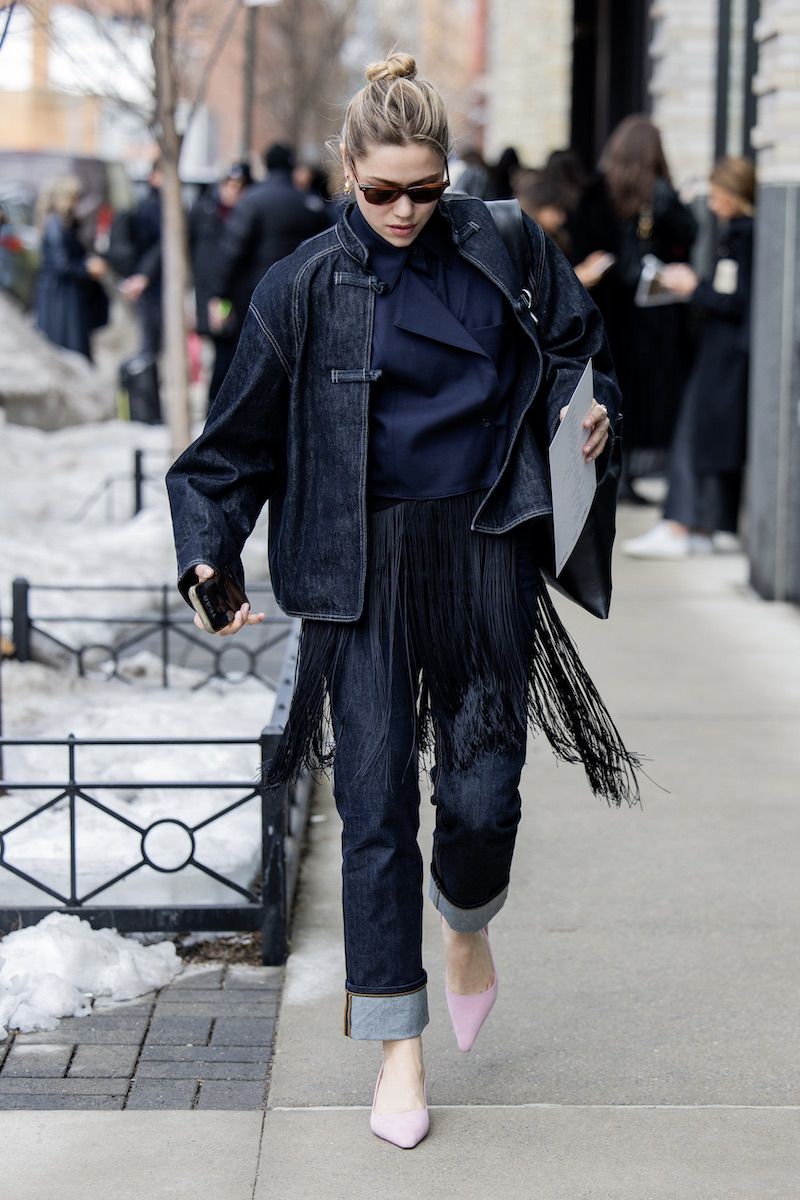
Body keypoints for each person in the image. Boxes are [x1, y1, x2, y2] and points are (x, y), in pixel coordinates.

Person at [165, 53, 639, 1150]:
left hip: (483, 549)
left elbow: (583, 352)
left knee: (483, 795)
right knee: (373, 807)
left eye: (425, 189)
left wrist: (595, 411)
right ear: (345, 170)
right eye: (380, 190)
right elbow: (228, 451)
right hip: (357, 568)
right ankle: (395, 1046)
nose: (403, 211)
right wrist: (208, 559)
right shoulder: (298, 287)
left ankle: (466, 920)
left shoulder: (505, 244)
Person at [623, 156, 756, 558]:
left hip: (725, 351)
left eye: (717, 196)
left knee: (697, 434)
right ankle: (698, 526)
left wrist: (693, 288)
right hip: (722, 348)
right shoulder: (738, 234)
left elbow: (737, 300)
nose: (712, 204)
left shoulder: (745, 237)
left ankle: (683, 524)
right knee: (705, 436)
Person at [571, 116, 697, 501]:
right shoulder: (656, 194)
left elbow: (581, 241)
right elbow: (688, 234)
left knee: (611, 387)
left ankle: (616, 473)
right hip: (647, 314)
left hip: (607, 309)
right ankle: (623, 473)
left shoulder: (598, 190)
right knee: (636, 391)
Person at [207, 142, 331, 341]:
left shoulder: (252, 201)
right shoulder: (310, 204)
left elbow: (231, 251)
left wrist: (219, 295)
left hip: (256, 294)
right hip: (301, 295)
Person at [189, 162, 253, 406]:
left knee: (231, 351)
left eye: (239, 186)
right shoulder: (204, 211)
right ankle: (215, 403)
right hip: (213, 293)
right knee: (221, 350)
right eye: (229, 185)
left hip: (237, 294)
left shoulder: (248, 215)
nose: (233, 191)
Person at [35, 175, 108, 361]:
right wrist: (87, 268)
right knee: (67, 351)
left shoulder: (65, 223)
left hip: (67, 294)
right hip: (60, 297)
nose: (77, 202)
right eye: (74, 197)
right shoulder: (55, 225)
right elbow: (62, 264)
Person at [119, 160, 163, 356]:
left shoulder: (157, 205)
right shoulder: (150, 207)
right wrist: (143, 275)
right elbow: (154, 246)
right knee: (149, 342)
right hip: (148, 281)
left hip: (150, 278)